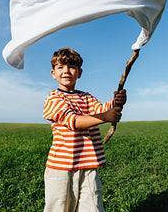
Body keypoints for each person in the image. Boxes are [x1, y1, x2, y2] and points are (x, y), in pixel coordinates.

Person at [43, 47, 127, 212]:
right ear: (53, 73)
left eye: (72, 67)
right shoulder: (54, 98)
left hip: (89, 165)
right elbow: (74, 121)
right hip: (61, 168)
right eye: (60, 67)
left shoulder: (86, 97)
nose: (66, 71)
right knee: (59, 208)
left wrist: (117, 102)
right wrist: (106, 117)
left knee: (93, 207)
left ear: (79, 73)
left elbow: (102, 109)